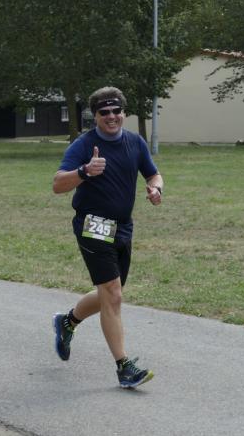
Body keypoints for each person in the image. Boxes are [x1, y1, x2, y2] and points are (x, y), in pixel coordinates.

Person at [52, 86, 163, 389]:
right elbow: (58, 184)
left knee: (110, 294)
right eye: (104, 112)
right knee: (112, 294)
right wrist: (84, 171)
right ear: (95, 116)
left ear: (123, 112)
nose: (111, 117)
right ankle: (124, 367)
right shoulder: (84, 145)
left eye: (116, 111)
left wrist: (156, 188)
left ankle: (67, 321)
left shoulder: (135, 142)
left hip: (123, 227)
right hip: (92, 225)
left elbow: (153, 174)